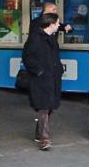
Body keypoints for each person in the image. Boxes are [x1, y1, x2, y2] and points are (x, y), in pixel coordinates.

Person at [23, 11, 63, 151]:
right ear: (51, 24)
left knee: (50, 106)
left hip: (52, 77)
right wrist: (39, 71)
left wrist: (58, 70)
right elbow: (27, 57)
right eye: (57, 23)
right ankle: (45, 139)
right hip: (42, 79)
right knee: (44, 107)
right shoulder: (36, 39)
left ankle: (39, 131)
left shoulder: (51, 38)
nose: (59, 25)